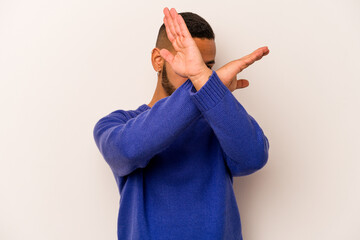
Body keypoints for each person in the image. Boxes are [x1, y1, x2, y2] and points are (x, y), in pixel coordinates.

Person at [93, 7, 270, 240]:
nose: (197, 71)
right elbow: (127, 150)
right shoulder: (117, 123)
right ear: (158, 60)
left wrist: (208, 88)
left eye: (207, 67)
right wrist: (206, 85)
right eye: (189, 62)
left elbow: (253, 157)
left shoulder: (218, 123)